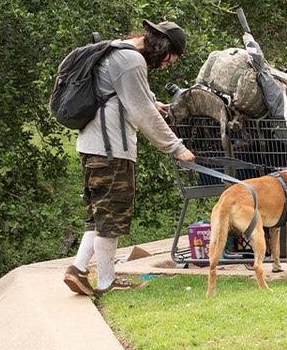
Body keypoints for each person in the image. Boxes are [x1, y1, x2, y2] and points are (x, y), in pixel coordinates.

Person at [62, 20, 196, 297]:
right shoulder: (131, 60)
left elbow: (126, 94)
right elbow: (140, 111)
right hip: (110, 150)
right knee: (112, 217)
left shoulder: (118, 51)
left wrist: (151, 100)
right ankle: (107, 281)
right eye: (169, 60)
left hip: (91, 146)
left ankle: (77, 269)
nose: (164, 66)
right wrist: (176, 147)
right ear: (163, 48)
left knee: (98, 216)